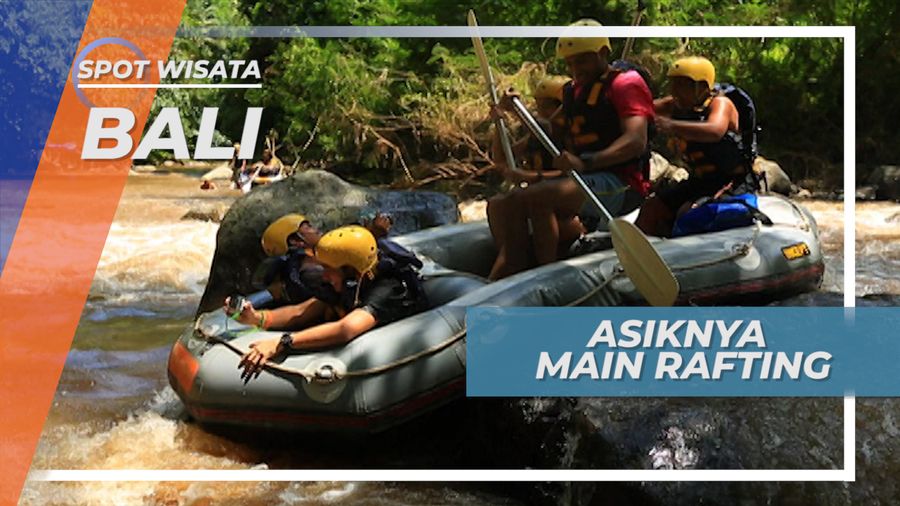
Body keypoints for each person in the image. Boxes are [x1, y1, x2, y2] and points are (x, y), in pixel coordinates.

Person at [493, 19, 653, 273]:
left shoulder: (625, 84)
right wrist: (510, 113)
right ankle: (512, 268)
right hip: (586, 178)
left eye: (581, 61)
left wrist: (585, 162)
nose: (575, 69)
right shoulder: (574, 90)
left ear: (603, 53)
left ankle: (544, 275)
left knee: (534, 196)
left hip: (622, 183)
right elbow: (547, 130)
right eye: (569, 63)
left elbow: (636, 141)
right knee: (510, 200)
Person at [230, 226, 428, 379]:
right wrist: (256, 318)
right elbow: (301, 311)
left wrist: (282, 343)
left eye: (328, 269)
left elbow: (346, 329)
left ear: (352, 271)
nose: (323, 275)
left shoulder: (387, 288)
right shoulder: (348, 284)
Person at [634, 56, 759, 237]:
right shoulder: (675, 104)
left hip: (731, 181)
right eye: (673, 84)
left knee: (688, 213)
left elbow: (714, 130)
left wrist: (671, 125)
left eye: (683, 85)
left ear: (702, 87)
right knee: (651, 208)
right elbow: (643, 109)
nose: (676, 91)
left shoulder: (720, 104)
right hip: (700, 181)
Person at [485, 75, 587, 279]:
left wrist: (531, 177)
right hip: (535, 203)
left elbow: (573, 173)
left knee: (538, 203)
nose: (542, 113)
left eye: (548, 107)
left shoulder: (569, 135)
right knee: (496, 203)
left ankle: (544, 271)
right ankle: (508, 259)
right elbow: (501, 159)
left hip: (569, 214)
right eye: (539, 107)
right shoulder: (537, 136)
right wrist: (499, 125)